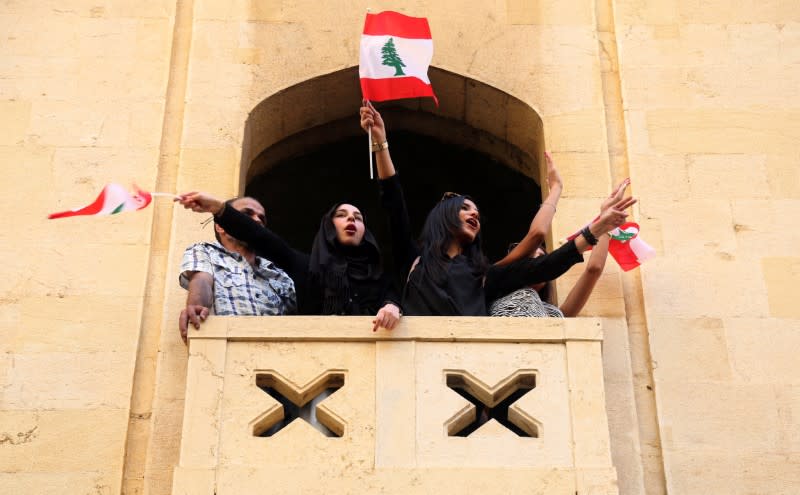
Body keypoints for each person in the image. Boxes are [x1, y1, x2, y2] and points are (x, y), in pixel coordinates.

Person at [359, 100, 636, 316]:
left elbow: (547, 265)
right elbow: (394, 203)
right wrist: (380, 142)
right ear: (445, 214)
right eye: (466, 208)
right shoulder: (414, 261)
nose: (474, 214)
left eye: (477, 213)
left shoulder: (483, 277)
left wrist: (598, 227)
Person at [175, 194, 402, 331]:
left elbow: (398, 289)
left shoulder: (379, 274)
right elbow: (262, 238)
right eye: (341, 215)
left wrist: (393, 306)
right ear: (328, 226)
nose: (351, 218)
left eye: (358, 217)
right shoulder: (304, 267)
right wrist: (218, 207)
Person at [490, 178, 631, 317]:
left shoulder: (555, 314)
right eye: (531, 258)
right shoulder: (490, 286)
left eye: (542, 258)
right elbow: (537, 233)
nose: (537, 262)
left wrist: (605, 223)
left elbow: (594, 269)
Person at [178, 196, 297, 343]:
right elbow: (201, 280)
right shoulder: (206, 251)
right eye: (247, 214)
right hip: (227, 356)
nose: (258, 220)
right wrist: (197, 306)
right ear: (220, 226)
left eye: (262, 218)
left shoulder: (279, 273)